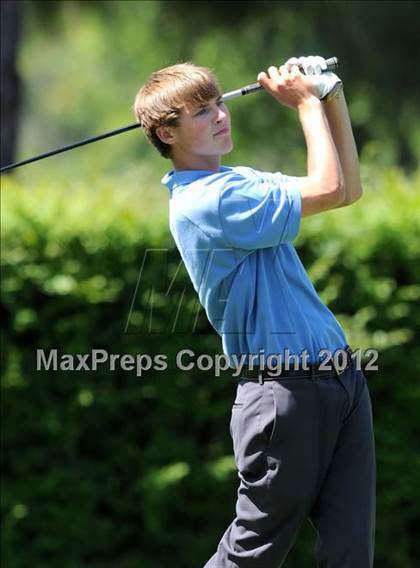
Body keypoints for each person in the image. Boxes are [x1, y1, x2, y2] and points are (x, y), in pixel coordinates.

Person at [133, 56, 376, 568]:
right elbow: (328, 187)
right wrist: (306, 103)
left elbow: (346, 190)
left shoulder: (235, 180)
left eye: (219, 102)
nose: (220, 115)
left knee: (351, 550)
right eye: (200, 112)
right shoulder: (207, 201)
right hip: (284, 393)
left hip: (340, 378)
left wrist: (331, 98)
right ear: (165, 132)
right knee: (253, 553)